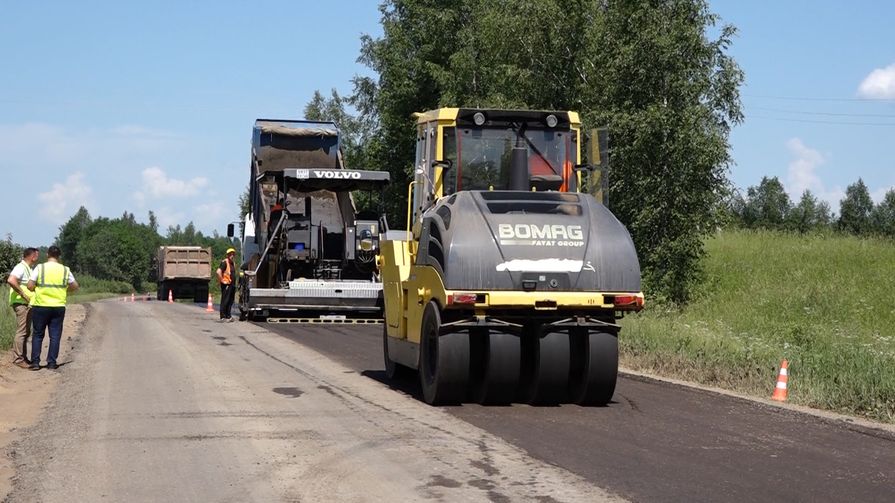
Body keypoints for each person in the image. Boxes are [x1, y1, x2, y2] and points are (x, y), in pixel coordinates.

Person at [27, 245, 78, 370]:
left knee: (38, 334)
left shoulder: (40, 267)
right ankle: (51, 363)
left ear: (47, 255)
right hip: (58, 306)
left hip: (41, 305)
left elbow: (29, 285)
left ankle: (35, 363)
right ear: (59, 256)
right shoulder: (65, 270)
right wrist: (66, 290)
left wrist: (36, 288)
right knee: (55, 335)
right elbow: (75, 286)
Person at [7, 247, 39, 369]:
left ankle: (23, 357)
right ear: (32, 256)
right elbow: (11, 280)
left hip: (26, 304)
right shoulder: (21, 267)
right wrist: (23, 295)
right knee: (22, 331)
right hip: (21, 304)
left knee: (26, 331)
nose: (37, 257)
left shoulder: (28, 268)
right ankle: (18, 359)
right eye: (36, 255)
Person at [216, 248, 237, 322]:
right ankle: (223, 316)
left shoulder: (233, 263)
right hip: (226, 285)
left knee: (230, 301)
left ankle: (228, 316)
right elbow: (218, 272)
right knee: (225, 300)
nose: (232, 255)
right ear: (227, 255)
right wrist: (222, 280)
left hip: (232, 285)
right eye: (230, 254)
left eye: (233, 254)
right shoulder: (224, 262)